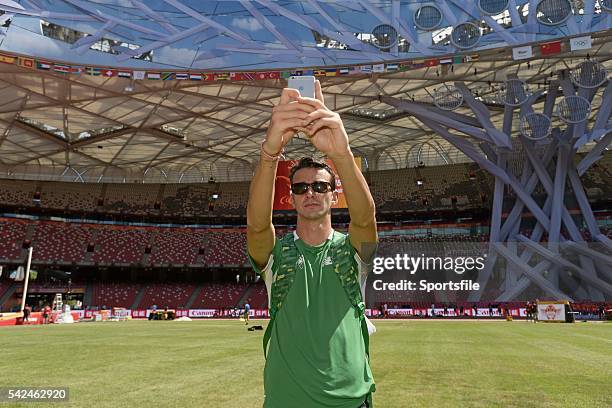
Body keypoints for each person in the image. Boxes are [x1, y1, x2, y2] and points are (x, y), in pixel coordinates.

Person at [247, 80, 377, 408]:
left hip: (350, 402)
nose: (310, 193)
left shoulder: (352, 252)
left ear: (334, 197)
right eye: (301, 188)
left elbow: (365, 220)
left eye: (320, 187)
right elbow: (258, 225)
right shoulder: (277, 256)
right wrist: (269, 153)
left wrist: (341, 152)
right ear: (290, 198)